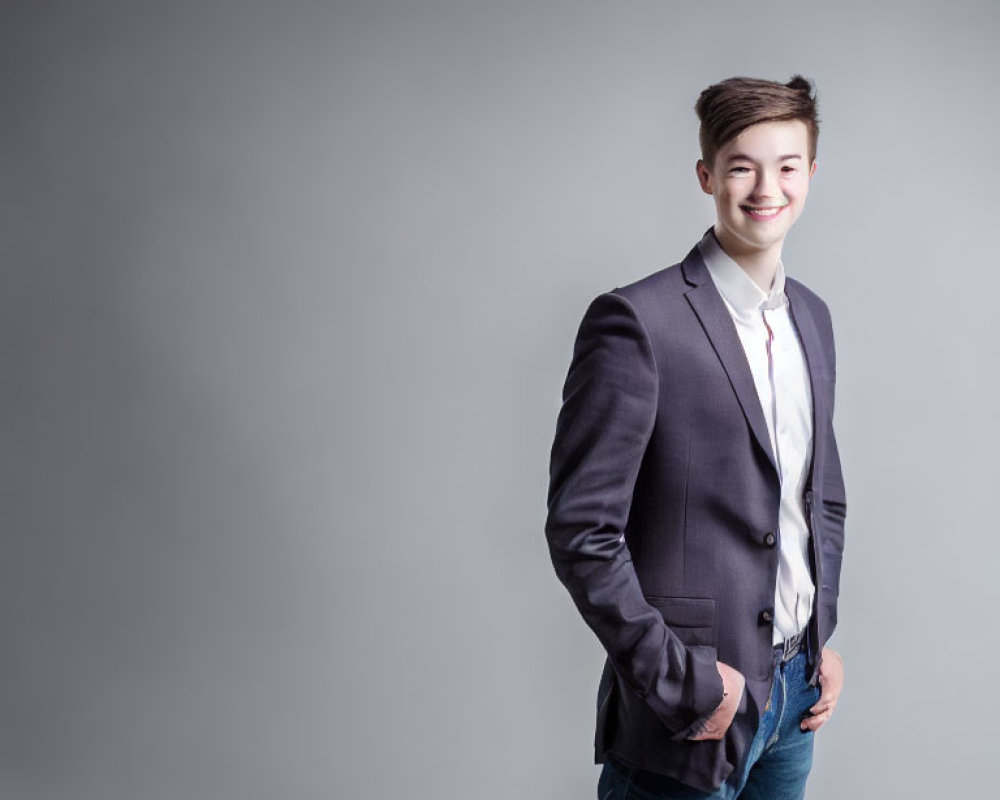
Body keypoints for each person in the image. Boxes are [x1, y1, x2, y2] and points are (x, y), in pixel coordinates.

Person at [544, 75, 847, 800]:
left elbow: (819, 497)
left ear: (812, 173)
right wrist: (685, 684)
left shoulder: (813, 317)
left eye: (787, 165)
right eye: (741, 165)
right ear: (707, 174)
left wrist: (817, 640)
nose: (765, 187)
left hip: (793, 703)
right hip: (689, 717)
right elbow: (582, 532)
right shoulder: (637, 324)